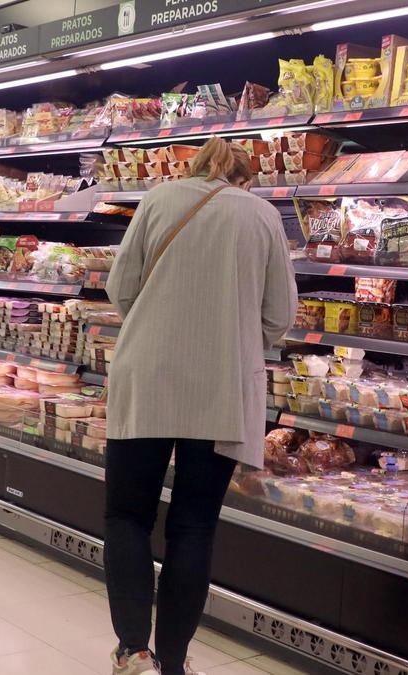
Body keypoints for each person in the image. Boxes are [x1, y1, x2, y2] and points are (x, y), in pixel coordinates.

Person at [104, 136, 297, 675]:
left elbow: (122, 289)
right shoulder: (261, 215)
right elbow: (279, 314)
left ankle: (132, 649)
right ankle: (174, 663)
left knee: (127, 517)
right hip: (221, 386)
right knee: (193, 527)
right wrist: (231, 334)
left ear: (196, 166)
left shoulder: (157, 199)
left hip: (145, 378)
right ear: (245, 176)